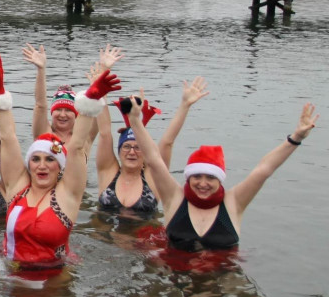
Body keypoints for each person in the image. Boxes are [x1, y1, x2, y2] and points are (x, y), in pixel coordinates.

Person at [0, 51, 121, 271]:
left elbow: (77, 148)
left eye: (49, 159)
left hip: (52, 278)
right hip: (11, 274)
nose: (42, 165)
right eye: (36, 159)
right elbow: (9, 137)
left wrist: (93, 100)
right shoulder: (18, 188)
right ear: (28, 164)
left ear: (60, 165)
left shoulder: (67, 195)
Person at [125, 95, 318, 251]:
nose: (203, 183)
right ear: (188, 178)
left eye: (210, 177)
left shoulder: (234, 201)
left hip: (220, 281)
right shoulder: (175, 197)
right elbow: (154, 160)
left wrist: (296, 138)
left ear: (220, 180)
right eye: (197, 177)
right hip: (176, 278)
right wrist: (135, 121)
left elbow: (263, 170)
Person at [95, 76, 208, 215]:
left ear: (146, 153)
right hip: (104, 229)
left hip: (143, 229)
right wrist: (100, 92)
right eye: (126, 146)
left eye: (138, 148)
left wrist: (185, 105)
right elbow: (104, 132)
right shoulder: (108, 171)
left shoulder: (153, 176)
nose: (132, 152)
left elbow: (167, 142)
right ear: (119, 151)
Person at [22, 43, 122, 144]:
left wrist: (104, 72)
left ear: (76, 115)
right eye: (58, 109)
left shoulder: (85, 137)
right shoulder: (43, 134)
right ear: (51, 113)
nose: (62, 115)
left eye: (68, 110)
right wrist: (41, 70)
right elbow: (40, 105)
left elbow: (98, 114)